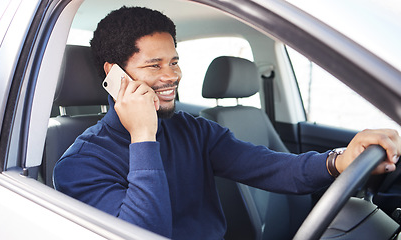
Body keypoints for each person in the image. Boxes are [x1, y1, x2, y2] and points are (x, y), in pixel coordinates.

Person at [53, 6, 401, 239]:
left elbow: (271, 168)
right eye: (154, 65)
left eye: (174, 62)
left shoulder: (194, 130)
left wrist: (340, 159)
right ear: (114, 75)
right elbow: (144, 232)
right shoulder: (80, 164)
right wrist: (143, 135)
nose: (171, 75)